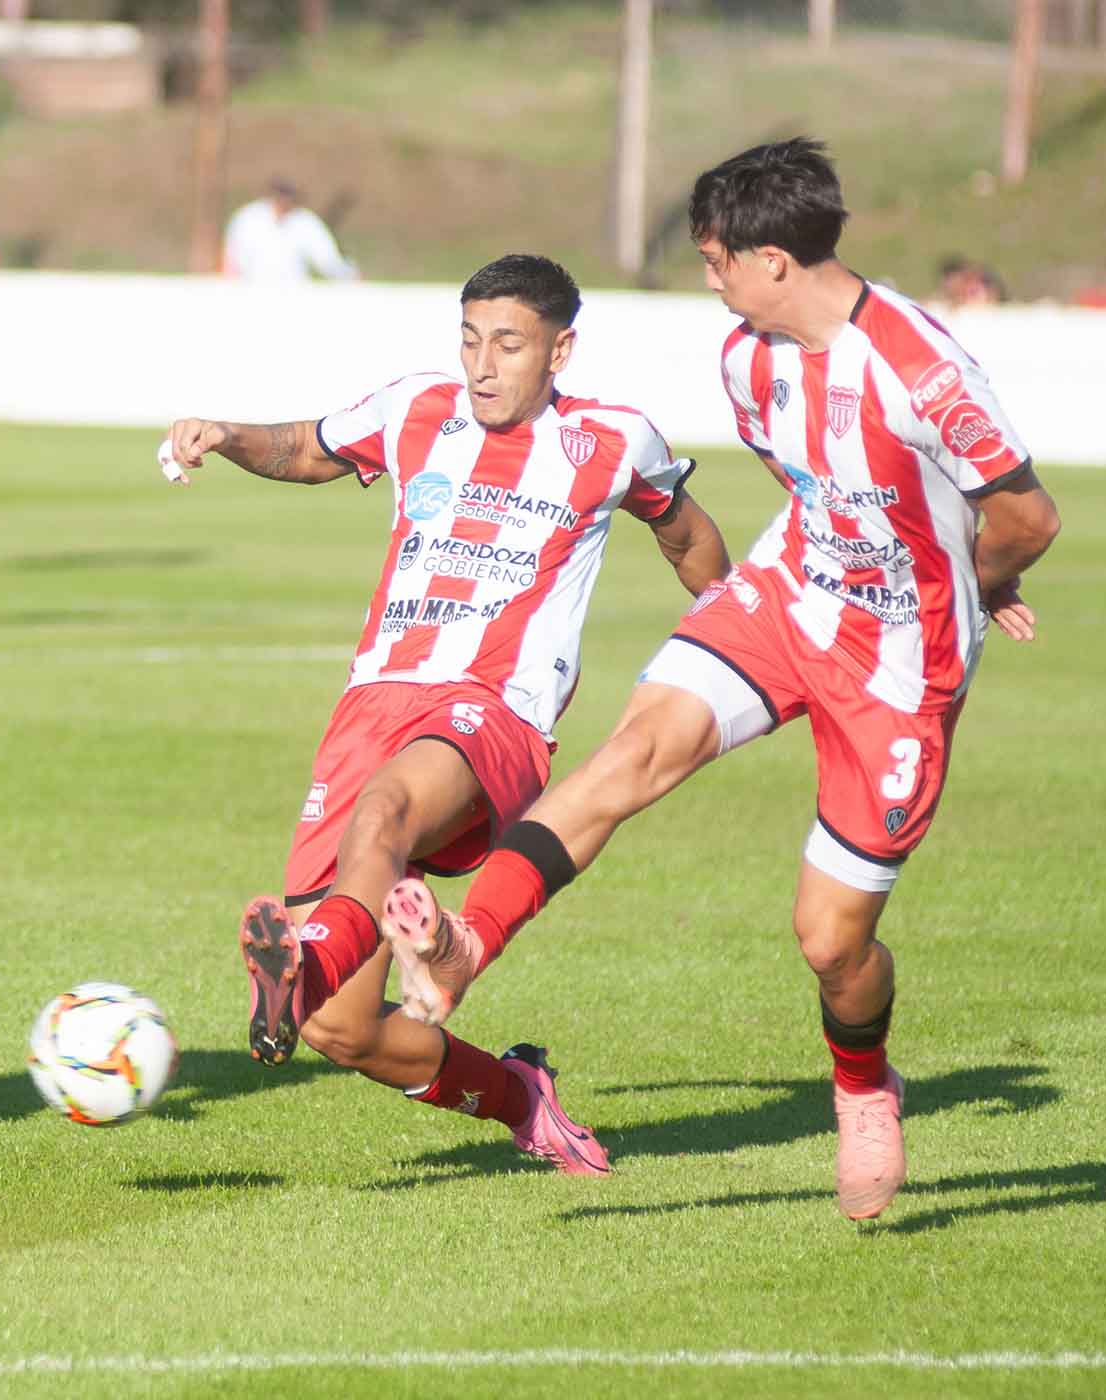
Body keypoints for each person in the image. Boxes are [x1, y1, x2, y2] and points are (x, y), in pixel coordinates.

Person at [416, 140, 1062, 1219]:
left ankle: (864, 1082)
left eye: (715, 258)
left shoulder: (922, 371)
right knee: (633, 753)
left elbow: (1027, 515)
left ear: (772, 259)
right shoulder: (747, 359)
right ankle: (464, 944)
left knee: (830, 939)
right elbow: (820, 488)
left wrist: (981, 580)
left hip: (901, 661)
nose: (706, 277)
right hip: (789, 596)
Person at [161, 253, 730, 1174]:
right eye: (470, 340)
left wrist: (739, 643)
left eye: (508, 344)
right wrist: (225, 433)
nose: (482, 365)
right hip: (370, 704)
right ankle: (520, 1097)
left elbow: (685, 531)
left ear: (560, 351)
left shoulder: (616, 442)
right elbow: (307, 448)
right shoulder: (415, 410)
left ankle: (304, 952)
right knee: (338, 1030)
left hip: (493, 710)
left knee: (386, 811)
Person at [222, 178, 357, 283]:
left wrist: (349, 274)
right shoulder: (249, 218)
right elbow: (232, 258)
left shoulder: (304, 222)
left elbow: (326, 258)